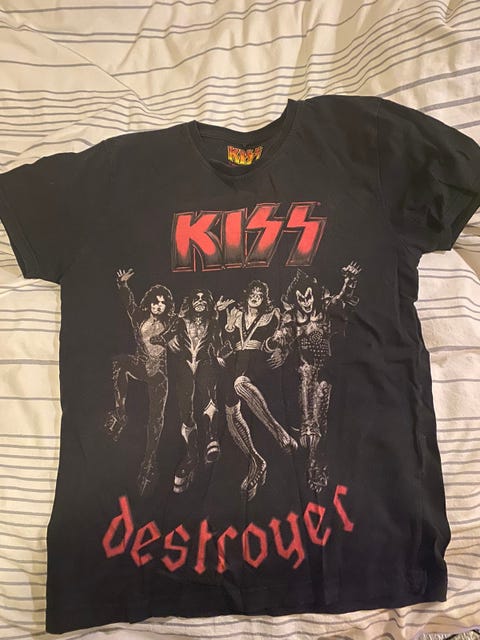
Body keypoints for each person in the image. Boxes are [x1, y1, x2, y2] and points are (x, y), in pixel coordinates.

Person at [266, 263, 361, 491]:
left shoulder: (325, 308)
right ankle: (311, 464)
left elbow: (341, 300)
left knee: (319, 418)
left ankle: (316, 465)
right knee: (308, 422)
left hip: (327, 370)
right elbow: (283, 333)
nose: (306, 302)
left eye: (308, 297)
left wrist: (349, 282)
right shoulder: (292, 316)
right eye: (301, 299)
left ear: (314, 295)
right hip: (304, 371)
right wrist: (275, 342)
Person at [220, 280, 298, 502]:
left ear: (265, 298)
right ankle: (256, 460)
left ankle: (280, 433)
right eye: (252, 293)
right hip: (236, 362)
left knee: (240, 383)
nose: (255, 297)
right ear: (246, 295)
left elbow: (288, 332)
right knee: (230, 410)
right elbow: (226, 341)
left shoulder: (272, 314)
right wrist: (223, 346)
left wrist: (283, 350)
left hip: (260, 361)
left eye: (260, 294)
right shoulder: (235, 313)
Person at [103, 268, 175, 496]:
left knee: (156, 420)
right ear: (150, 303)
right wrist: (123, 285)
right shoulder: (139, 318)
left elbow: (182, 327)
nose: (159, 306)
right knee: (118, 363)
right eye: (155, 302)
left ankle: (149, 462)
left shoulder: (171, 323)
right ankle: (120, 413)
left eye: (163, 303)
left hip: (160, 376)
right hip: (142, 366)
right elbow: (129, 304)